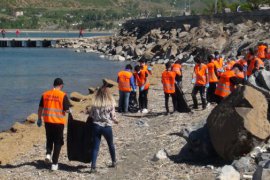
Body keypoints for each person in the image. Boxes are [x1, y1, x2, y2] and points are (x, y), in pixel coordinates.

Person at [37, 78, 71, 171]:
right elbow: (66, 109)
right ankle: (54, 163)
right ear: (61, 85)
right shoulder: (63, 95)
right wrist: (70, 110)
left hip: (47, 121)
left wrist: (39, 119)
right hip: (58, 123)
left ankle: (48, 154)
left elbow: (40, 108)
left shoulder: (45, 94)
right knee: (58, 142)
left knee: (49, 138)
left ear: (53, 85)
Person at [89, 84, 118, 173]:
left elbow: (91, 115)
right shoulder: (110, 103)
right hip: (106, 126)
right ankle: (113, 161)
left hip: (96, 126)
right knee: (110, 144)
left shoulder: (95, 103)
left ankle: (93, 167)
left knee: (95, 147)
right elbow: (113, 116)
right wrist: (116, 121)